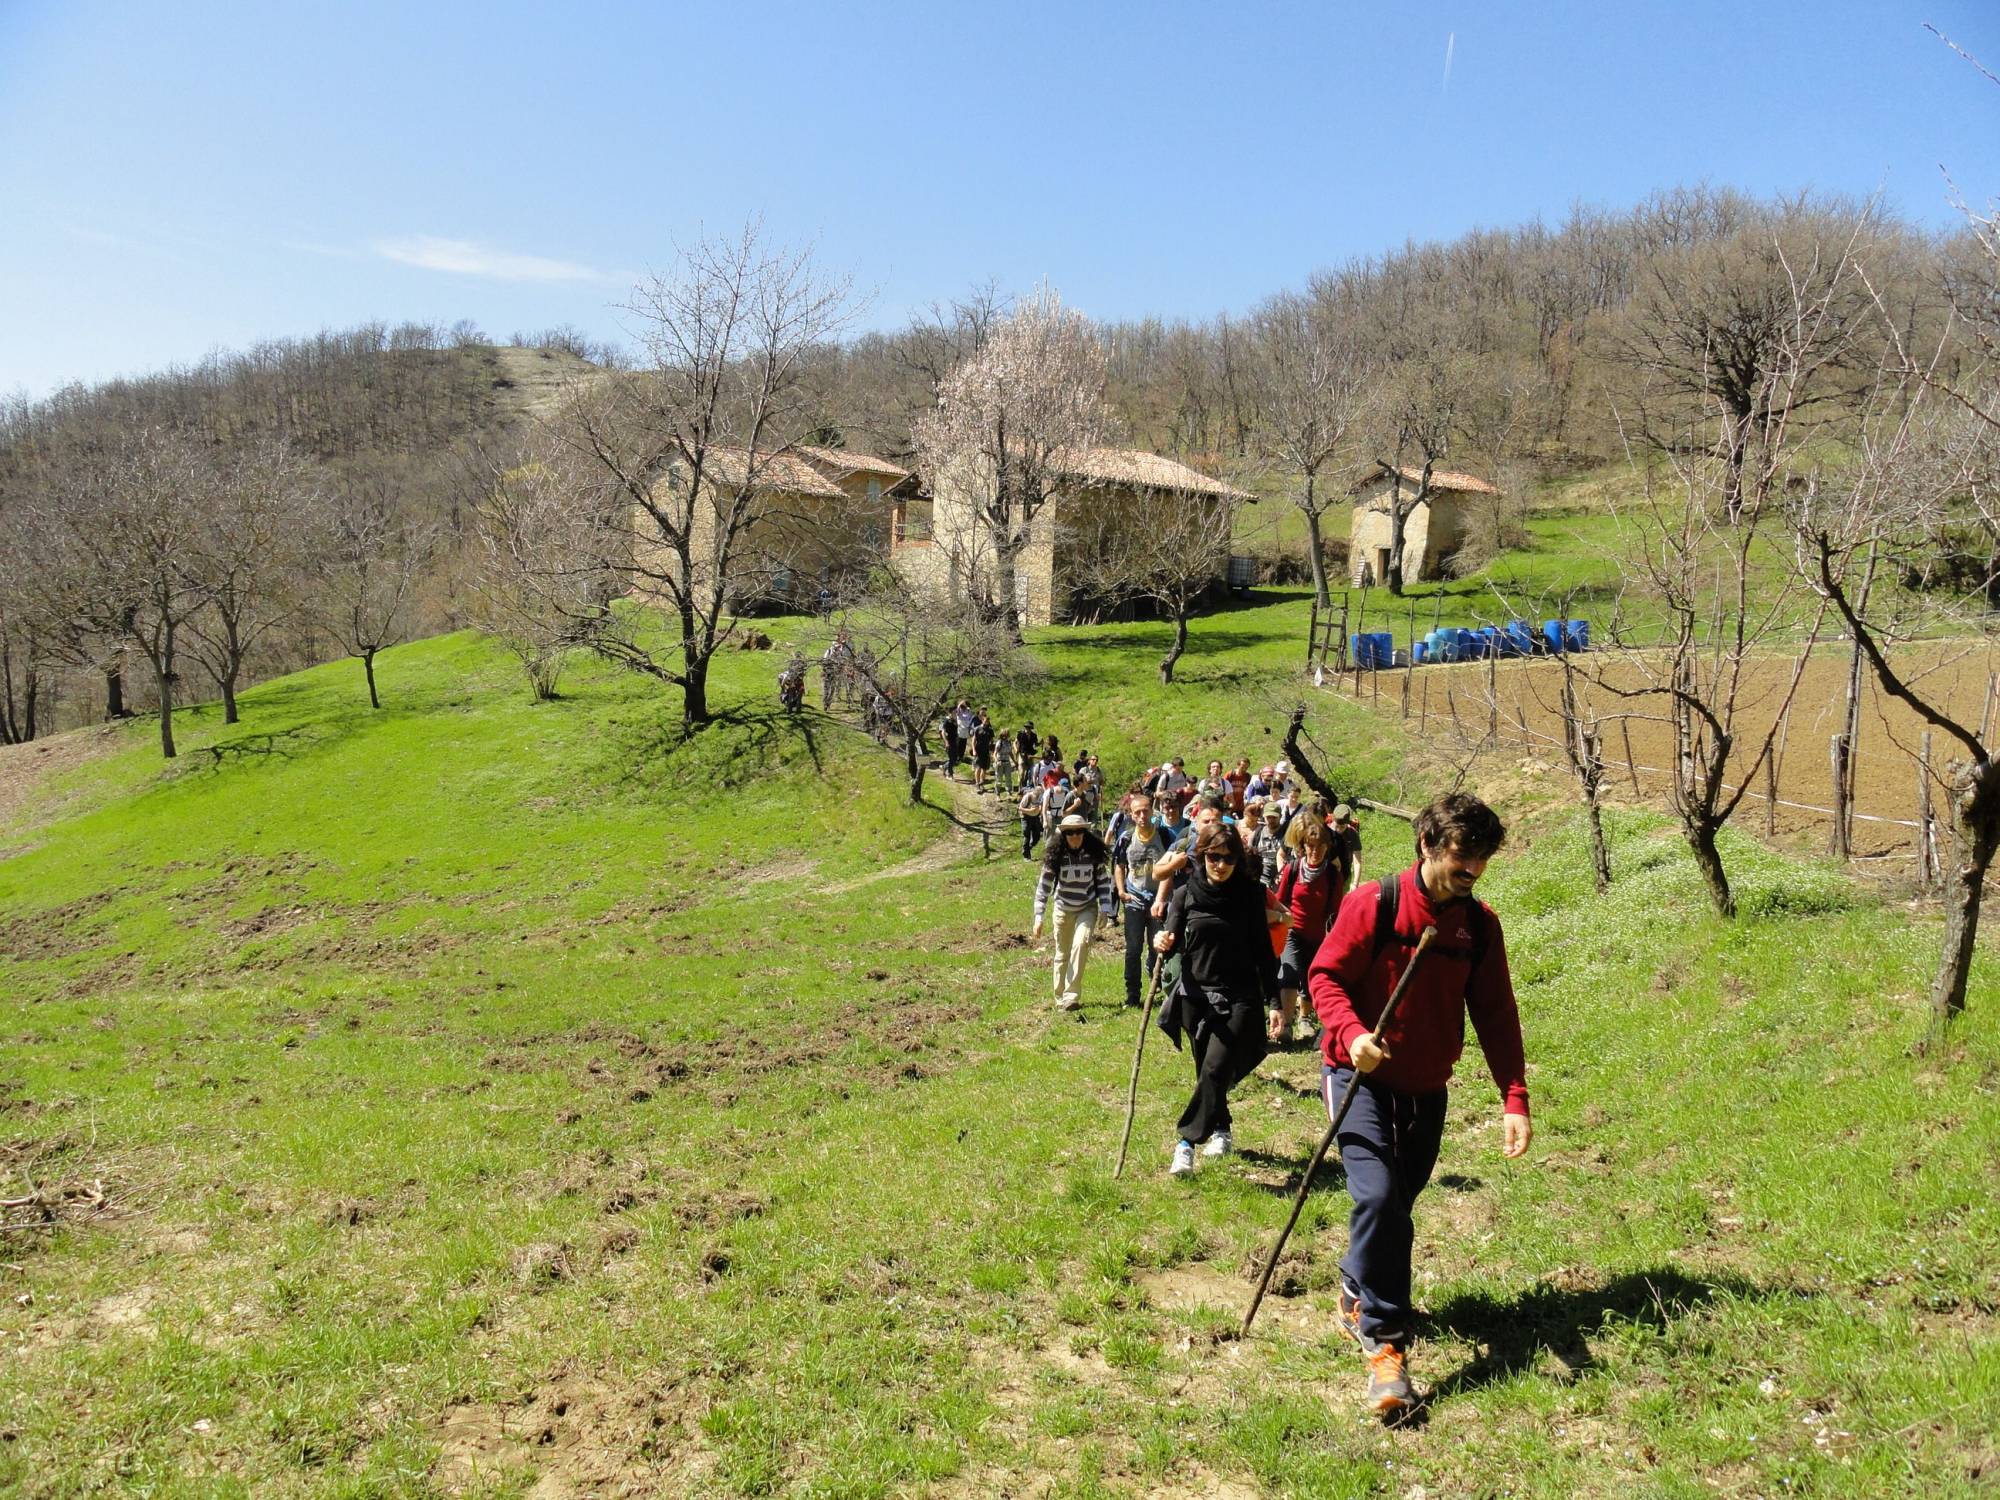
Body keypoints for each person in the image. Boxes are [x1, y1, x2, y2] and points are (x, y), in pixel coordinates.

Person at [1307, 792, 1531, 1419]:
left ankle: (1357, 1279)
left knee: (1395, 1204)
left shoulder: (1479, 927)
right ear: (1428, 845)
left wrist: (1513, 1096)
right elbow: (1323, 976)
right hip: (1357, 1080)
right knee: (1379, 1199)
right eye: (1464, 856)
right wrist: (1352, 1035)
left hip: (1428, 1086)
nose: (1475, 870)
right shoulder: (1373, 904)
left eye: (1484, 858)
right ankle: (1386, 1345)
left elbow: (1495, 1013)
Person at [1153, 822, 1278, 1175]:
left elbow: (1263, 952)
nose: (1220, 865)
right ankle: (1221, 1129)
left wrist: (1274, 1001)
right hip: (1196, 995)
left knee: (1215, 1067)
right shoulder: (1185, 894)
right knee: (1208, 1071)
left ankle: (1185, 1143)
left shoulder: (1251, 896)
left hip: (1239, 995)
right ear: (1201, 856)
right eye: (1213, 857)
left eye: (1228, 858)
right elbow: (1172, 938)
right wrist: (1161, 941)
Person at [1272, 797, 1348, 1046]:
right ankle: (1286, 1025)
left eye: (1319, 846)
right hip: (1292, 932)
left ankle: (1305, 1019)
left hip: (1318, 936)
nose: (1314, 851)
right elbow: (1279, 900)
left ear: (1327, 847)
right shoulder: (1293, 869)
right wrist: (1284, 918)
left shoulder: (1332, 876)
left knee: (1311, 981)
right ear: (1303, 846)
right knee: (1290, 974)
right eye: (1310, 846)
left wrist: (1333, 937)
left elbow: (1336, 911)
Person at [1032, 813, 1114, 1011]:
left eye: (1079, 832)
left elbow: (1103, 882)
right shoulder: (1056, 856)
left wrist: (1105, 909)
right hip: (1063, 909)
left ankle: (1071, 996)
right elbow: (1044, 887)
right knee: (1062, 953)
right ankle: (1060, 998)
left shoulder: (1093, 855)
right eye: (1070, 833)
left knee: (1082, 943)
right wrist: (1038, 916)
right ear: (1064, 835)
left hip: (1086, 907)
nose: (1075, 836)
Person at [1112, 792, 1169, 1009]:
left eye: (1146, 811)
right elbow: (1119, 865)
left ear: (1152, 812)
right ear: (1132, 815)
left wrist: (1163, 898)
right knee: (1133, 948)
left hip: (1158, 900)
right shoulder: (1126, 838)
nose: (1142, 815)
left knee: (1157, 947)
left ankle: (1157, 990)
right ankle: (1132, 995)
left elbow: (1170, 866)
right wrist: (1121, 891)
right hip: (1134, 898)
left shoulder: (1163, 835)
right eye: (1138, 812)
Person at [1251, 801, 1287, 889]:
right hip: (1260, 880)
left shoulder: (1286, 834)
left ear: (1280, 817)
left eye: (1274, 817)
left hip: (1280, 880)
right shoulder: (1258, 833)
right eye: (1268, 817)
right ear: (1263, 817)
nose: (1271, 820)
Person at [1331, 802, 1364, 891]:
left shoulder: (1353, 834)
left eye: (1342, 827)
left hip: (1344, 875)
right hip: (1327, 875)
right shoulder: (1327, 831)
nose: (1339, 830)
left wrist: (1355, 884)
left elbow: (1357, 862)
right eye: (1337, 826)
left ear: (1347, 823)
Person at [1018, 780, 1045, 860]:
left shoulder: (1041, 798)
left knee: (1037, 836)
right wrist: (1030, 811)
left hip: (1035, 818)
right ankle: (1026, 856)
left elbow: (1041, 806)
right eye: (1040, 792)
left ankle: (1028, 847)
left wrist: (1040, 811)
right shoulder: (1028, 796)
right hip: (1026, 817)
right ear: (1036, 792)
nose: (1041, 794)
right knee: (1027, 835)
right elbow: (1020, 808)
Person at [972, 710, 996, 792]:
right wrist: (974, 750)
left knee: (984, 768)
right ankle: (977, 783)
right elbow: (973, 741)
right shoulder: (977, 729)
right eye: (985, 721)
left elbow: (992, 741)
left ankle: (981, 783)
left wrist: (993, 752)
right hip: (979, 750)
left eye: (988, 721)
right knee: (978, 767)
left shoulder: (990, 730)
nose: (986, 722)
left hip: (986, 751)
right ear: (982, 720)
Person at [995, 729, 1018, 796]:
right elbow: (994, 753)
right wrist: (997, 761)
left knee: (1008, 778)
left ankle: (1009, 792)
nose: (1007, 735)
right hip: (1000, 762)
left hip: (1007, 762)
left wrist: (1014, 761)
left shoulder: (1009, 742)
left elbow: (1010, 753)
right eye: (1007, 734)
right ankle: (998, 794)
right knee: (999, 779)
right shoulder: (999, 742)